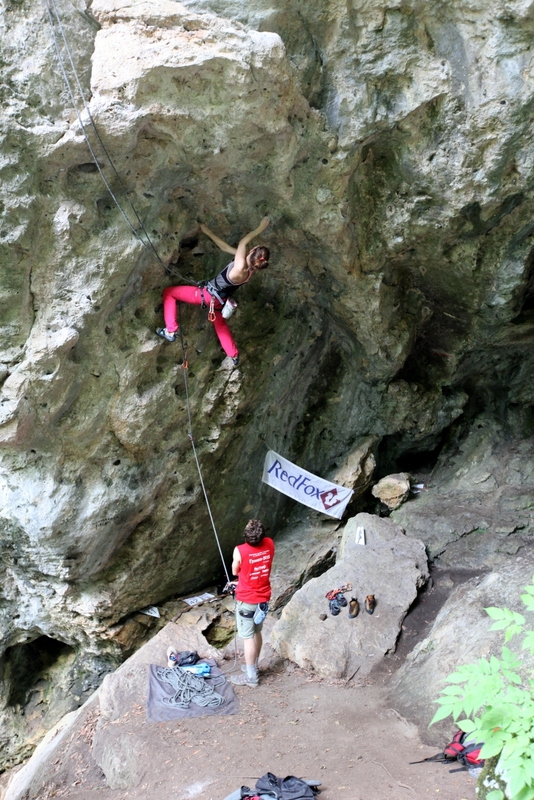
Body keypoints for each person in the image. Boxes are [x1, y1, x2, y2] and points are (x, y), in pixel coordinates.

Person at [156, 217, 270, 365]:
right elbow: (225, 248)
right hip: (220, 301)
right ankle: (233, 355)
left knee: (169, 293)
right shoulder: (249, 269)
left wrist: (260, 228)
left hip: (208, 295)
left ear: (253, 250)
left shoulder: (240, 266)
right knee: (219, 323)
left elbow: (243, 242)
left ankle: (171, 331)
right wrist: (208, 232)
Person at [229, 518, 275, 687]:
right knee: (257, 632)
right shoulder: (269, 543)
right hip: (263, 599)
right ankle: (253, 666)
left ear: (246, 535)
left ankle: (251, 677)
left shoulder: (240, 550)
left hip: (247, 600)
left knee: (248, 637)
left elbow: (235, 571)